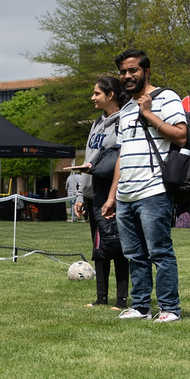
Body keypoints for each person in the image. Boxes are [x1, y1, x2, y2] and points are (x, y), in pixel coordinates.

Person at [103, 49, 186, 322]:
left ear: (146, 71)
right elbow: (122, 155)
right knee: (134, 255)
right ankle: (140, 307)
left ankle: (169, 308)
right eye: (123, 72)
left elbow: (181, 136)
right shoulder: (125, 109)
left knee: (160, 252)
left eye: (133, 71)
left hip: (153, 191)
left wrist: (149, 113)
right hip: (126, 194)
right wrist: (112, 196)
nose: (127, 76)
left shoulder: (166, 98)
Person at [69, 76, 129, 309]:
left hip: (112, 195)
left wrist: (113, 196)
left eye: (97, 93)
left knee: (118, 246)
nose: (92, 97)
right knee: (99, 248)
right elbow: (88, 160)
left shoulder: (124, 120)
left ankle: (121, 300)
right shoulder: (96, 123)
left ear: (110, 95)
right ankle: (101, 298)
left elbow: (121, 160)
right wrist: (80, 195)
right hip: (93, 195)